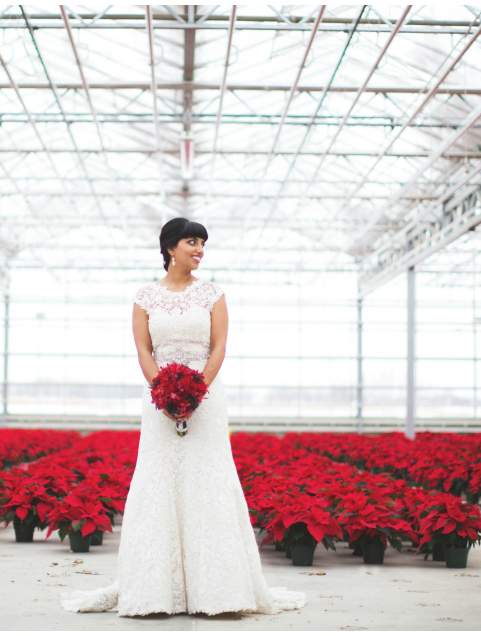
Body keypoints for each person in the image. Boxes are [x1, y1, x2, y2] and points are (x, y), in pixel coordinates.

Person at [60, 218, 307, 617]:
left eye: (203, 244)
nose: (200, 251)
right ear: (170, 247)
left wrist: (196, 391)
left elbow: (219, 346)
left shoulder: (213, 293)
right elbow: (143, 350)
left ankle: (219, 590)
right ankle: (155, 590)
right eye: (192, 242)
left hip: (206, 399)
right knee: (159, 478)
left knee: (208, 477)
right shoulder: (144, 297)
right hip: (158, 400)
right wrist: (163, 390)